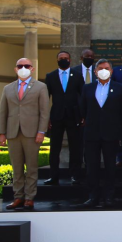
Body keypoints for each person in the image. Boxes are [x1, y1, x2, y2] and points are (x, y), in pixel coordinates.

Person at [0, 58, 49, 211]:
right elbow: (3, 112)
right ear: (15, 69)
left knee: (31, 167)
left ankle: (29, 198)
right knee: (17, 167)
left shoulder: (40, 87)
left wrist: (41, 131)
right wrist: (2, 133)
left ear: (32, 69)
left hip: (32, 133)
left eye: (26, 66)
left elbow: (44, 112)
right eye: (20, 66)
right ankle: (18, 197)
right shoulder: (8, 88)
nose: (23, 68)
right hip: (13, 132)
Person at [79, 59, 122, 208]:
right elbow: (83, 109)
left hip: (111, 133)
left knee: (110, 167)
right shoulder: (87, 88)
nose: (103, 70)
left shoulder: (120, 88)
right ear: (95, 72)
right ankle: (93, 196)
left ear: (111, 71)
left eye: (106, 68)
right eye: (100, 68)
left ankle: (109, 196)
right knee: (92, 167)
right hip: (92, 133)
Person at [44, 50, 84, 185]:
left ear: (70, 60)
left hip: (73, 116)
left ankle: (75, 175)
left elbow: (82, 96)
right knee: (54, 147)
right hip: (56, 116)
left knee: (75, 147)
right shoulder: (50, 76)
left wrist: (83, 115)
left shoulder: (78, 76)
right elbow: (45, 99)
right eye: (61, 58)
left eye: (66, 58)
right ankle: (53, 175)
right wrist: (46, 118)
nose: (63, 60)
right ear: (57, 60)